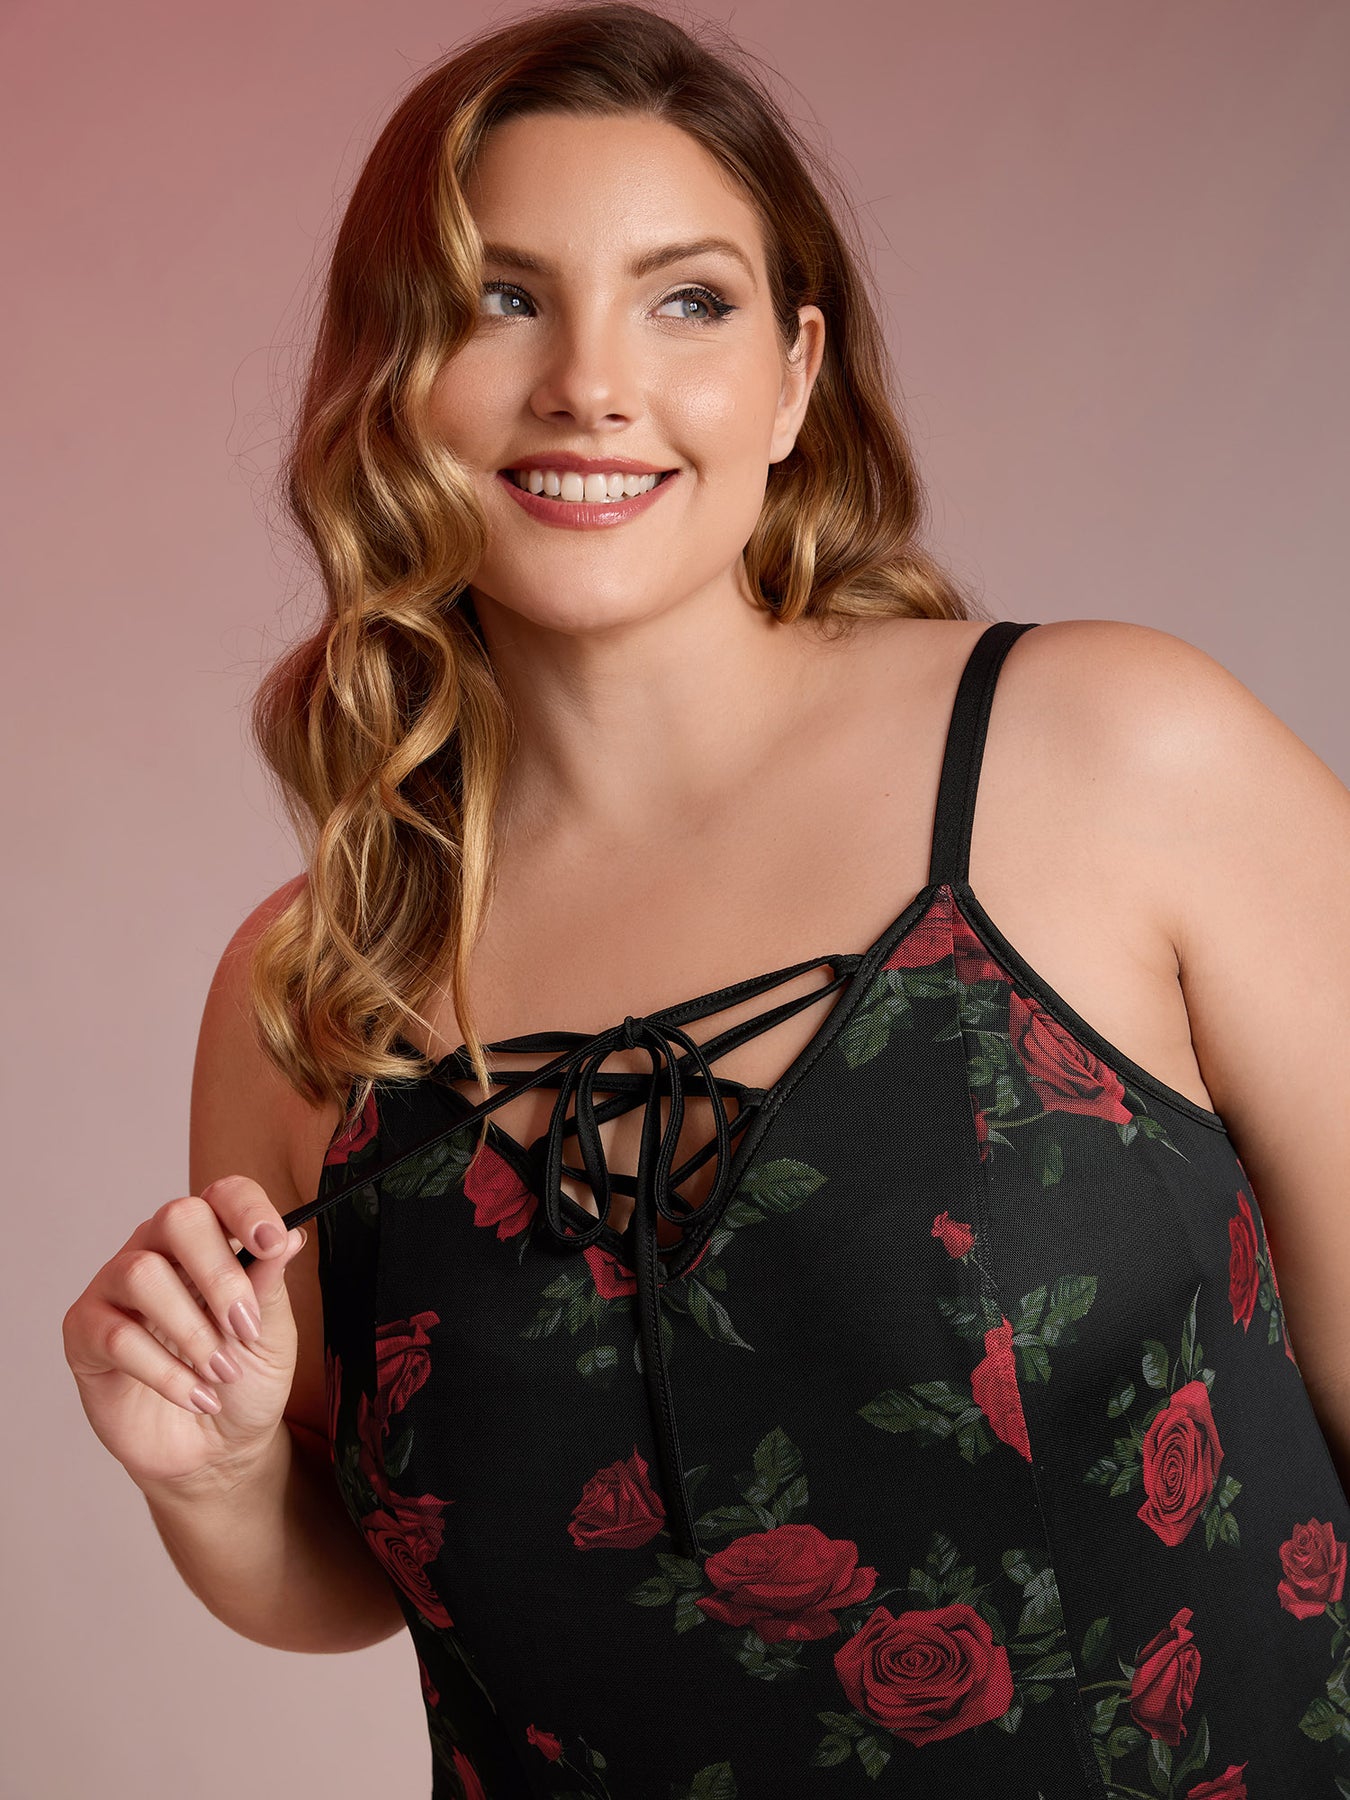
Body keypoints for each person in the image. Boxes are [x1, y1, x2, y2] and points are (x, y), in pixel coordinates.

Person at [63, 4, 1350, 1795]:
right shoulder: (317, 988)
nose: (590, 385)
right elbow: (376, 1574)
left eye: (685, 300)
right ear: (388, 374)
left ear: (793, 377)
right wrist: (204, 1477)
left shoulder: (1113, 754)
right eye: (500, 299)